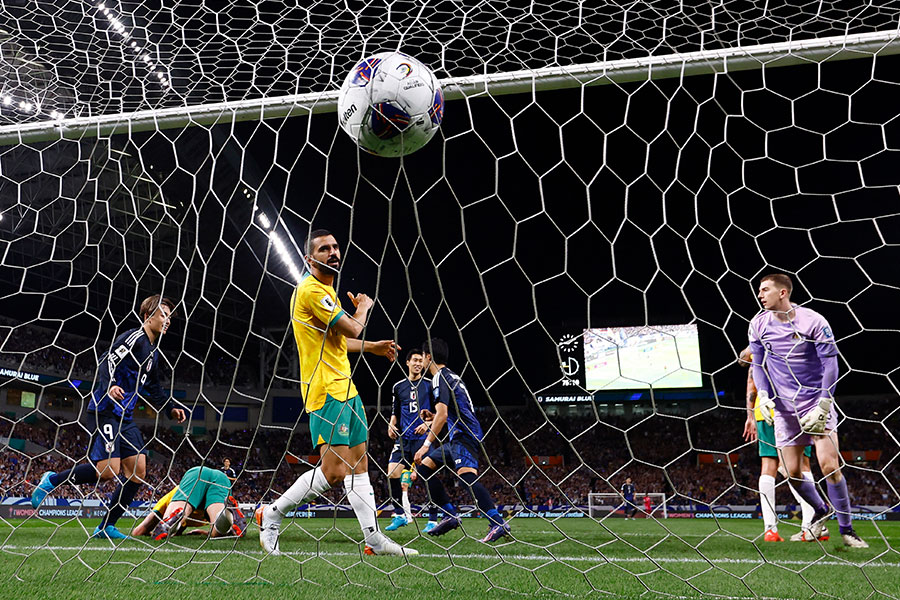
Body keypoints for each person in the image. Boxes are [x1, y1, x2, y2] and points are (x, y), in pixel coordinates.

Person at [256, 229, 416, 557]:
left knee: (359, 465)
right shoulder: (311, 291)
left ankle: (373, 539)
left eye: (335, 247)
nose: (333, 252)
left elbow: (342, 340)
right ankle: (271, 514)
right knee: (334, 473)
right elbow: (353, 326)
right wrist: (365, 307)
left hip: (347, 388)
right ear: (308, 258)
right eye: (324, 248)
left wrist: (372, 347)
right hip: (325, 391)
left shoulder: (328, 292)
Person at [31, 295, 187, 540]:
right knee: (108, 471)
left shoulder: (153, 353)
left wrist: (170, 408)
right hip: (105, 409)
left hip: (125, 418)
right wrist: (111, 386)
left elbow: (155, 389)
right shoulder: (133, 338)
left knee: (138, 470)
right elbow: (107, 361)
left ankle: (105, 526)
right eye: (163, 314)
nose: (167, 320)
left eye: (170, 316)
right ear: (147, 316)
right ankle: (51, 480)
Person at [748, 273, 867, 547]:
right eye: (759, 290)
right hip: (783, 409)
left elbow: (831, 363)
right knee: (790, 472)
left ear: (783, 292)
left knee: (829, 465)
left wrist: (825, 401)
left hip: (815, 404)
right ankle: (821, 511)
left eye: (765, 289)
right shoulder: (757, 324)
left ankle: (847, 530)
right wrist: (764, 395)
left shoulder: (813, 320)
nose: (760, 294)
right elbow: (758, 363)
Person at [413, 337, 511, 543]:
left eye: (421, 357)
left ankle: (497, 522)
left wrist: (425, 445)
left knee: (466, 478)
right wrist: (433, 417)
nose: (420, 361)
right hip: (458, 436)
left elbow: (443, 414)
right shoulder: (452, 376)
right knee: (424, 468)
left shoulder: (439, 378)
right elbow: (449, 412)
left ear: (428, 357)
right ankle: (449, 515)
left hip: (464, 435)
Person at [739, 347, 825, 542]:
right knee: (801, 464)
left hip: (769, 409)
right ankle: (813, 525)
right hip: (799, 406)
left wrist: (750, 414)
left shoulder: (761, 340)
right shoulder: (798, 335)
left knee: (770, 464)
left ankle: (771, 529)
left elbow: (745, 365)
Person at [385, 348, 438, 533]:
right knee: (392, 473)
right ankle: (400, 515)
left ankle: (432, 520)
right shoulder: (398, 387)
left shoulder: (431, 385)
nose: (417, 363)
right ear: (407, 362)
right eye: (414, 360)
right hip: (403, 439)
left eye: (420, 360)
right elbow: (395, 412)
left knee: (426, 477)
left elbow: (439, 413)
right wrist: (391, 425)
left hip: (423, 439)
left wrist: (428, 424)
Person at [131, 477, 247, 539]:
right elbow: (178, 531)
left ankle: (180, 512)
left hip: (196, 475)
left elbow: (139, 532)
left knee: (182, 510)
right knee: (218, 532)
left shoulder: (170, 496)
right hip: (221, 479)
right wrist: (203, 532)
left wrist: (149, 530)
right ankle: (229, 514)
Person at [147, 467, 238, 540]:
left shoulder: (173, 492)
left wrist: (147, 531)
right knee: (218, 527)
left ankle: (171, 520)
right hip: (221, 478)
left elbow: (139, 530)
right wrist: (204, 532)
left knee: (183, 506)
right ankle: (227, 516)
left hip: (197, 473)